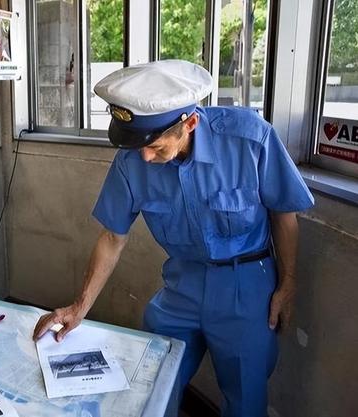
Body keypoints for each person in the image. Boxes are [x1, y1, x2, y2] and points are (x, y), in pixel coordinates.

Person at [32, 60, 314, 417]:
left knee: (246, 399)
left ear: (190, 123)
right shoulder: (133, 159)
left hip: (247, 286)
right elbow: (112, 237)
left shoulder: (250, 139)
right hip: (182, 284)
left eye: (156, 147)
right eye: (138, 147)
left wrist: (287, 285)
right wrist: (79, 307)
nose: (146, 158)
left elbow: (284, 215)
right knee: (149, 384)